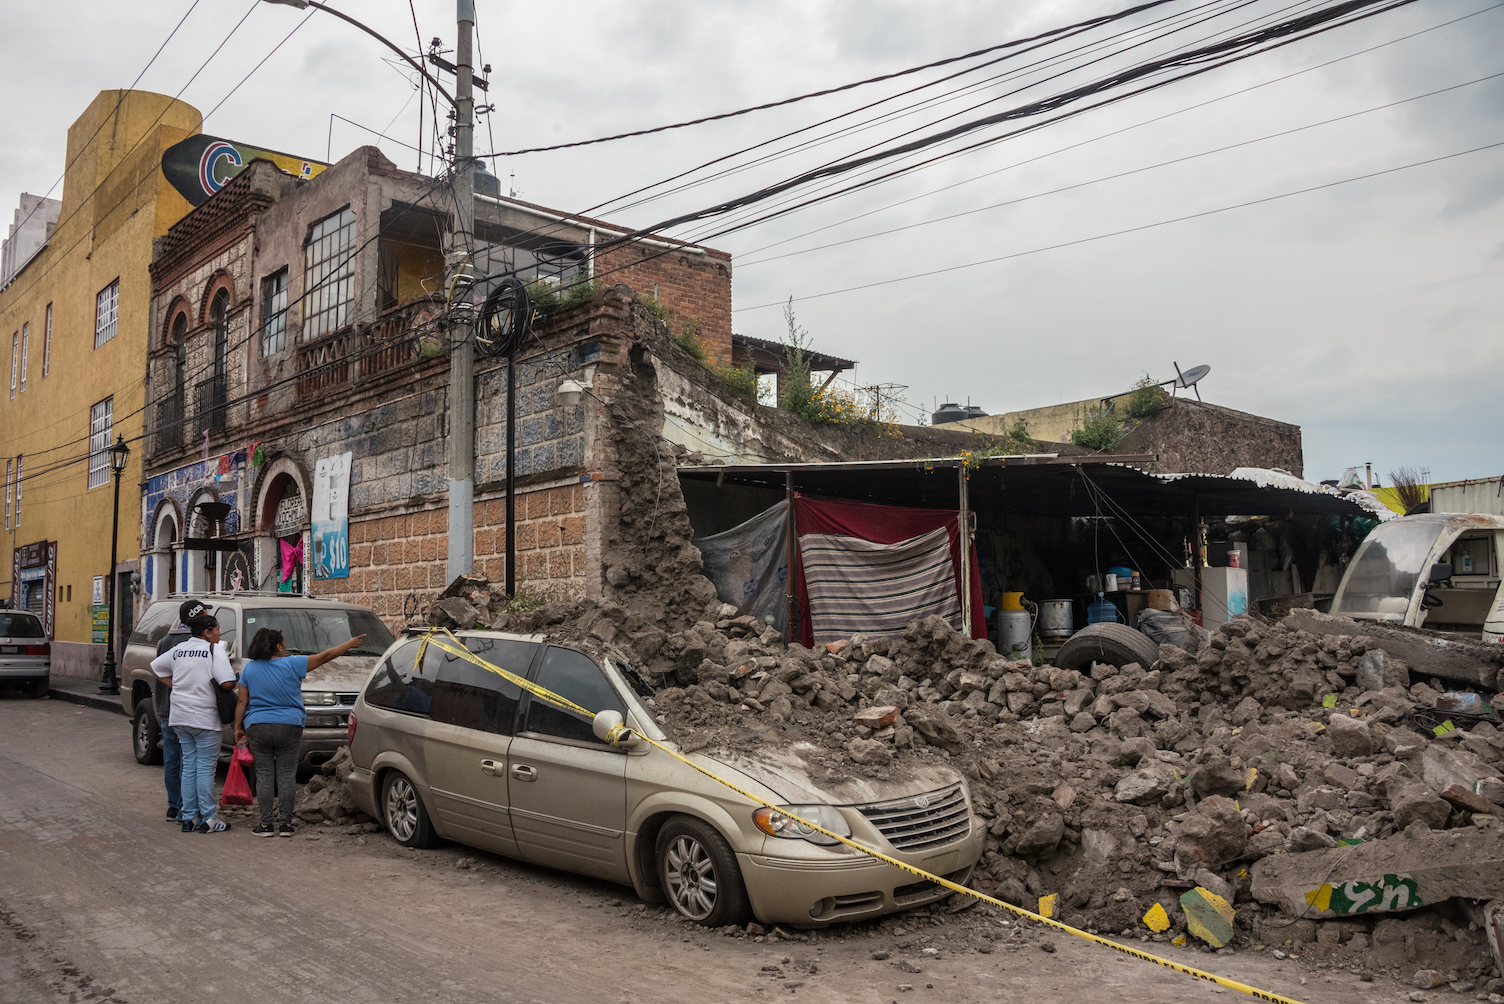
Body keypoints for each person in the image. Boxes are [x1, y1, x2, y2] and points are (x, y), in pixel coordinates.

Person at [234, 627, 366, 837]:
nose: (285, 646)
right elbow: (325, 656)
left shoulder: (250, 669)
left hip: (257, 726)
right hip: (289, 725)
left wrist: (237, 727)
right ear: (278, 646)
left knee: (265, 776)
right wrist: (349, 644)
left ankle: (266, 825)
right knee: (286, 776)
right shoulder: (293, 663)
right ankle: (286, 825)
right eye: (284, 643)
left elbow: (242, 701)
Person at [151, 613, 236, 833]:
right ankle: (209, 817)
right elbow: (226, 682)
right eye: (217, 629)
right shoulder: (214, 650)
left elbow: (156, 667)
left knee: (189, 765)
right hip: (205, 718)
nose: (219, 633)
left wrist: (177, 685)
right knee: (206, 769)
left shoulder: (179, 649)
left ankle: (188, 817)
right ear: (207, 632)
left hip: (179, 716)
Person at [155, 599, 209, 823]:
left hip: (167, 711)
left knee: (172, 760)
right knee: (193, 762)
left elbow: (157, 669)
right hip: (190, 711)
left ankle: (174, 806)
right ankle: (191, 809)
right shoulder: (196, 643)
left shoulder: (165, 641)